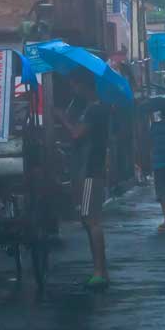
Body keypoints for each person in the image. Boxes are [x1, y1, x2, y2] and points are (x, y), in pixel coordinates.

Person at [53, 71, 111, 290]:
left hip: (90, 171)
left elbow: (77, 133)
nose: (73, 90)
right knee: (90, 221)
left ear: (84, 86)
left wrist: (62, 117)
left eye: (74, 85)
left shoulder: (94, 110)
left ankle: (99, 271)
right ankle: (101, 271)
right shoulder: (97, 108)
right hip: (92, 170)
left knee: (91, 220)